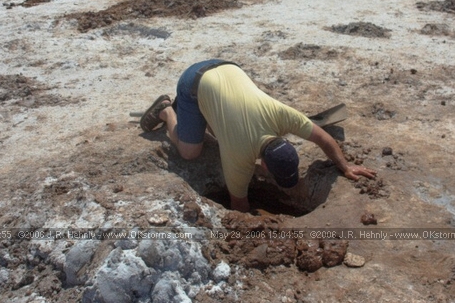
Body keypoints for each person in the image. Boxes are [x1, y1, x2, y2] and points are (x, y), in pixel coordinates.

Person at [140, 59, 377, 212]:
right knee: (189, 152)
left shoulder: (283, 115)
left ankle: (199, 112)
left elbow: (324, 139)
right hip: (192, 81)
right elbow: (238, 206)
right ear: (263, 164)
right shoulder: (238, 157)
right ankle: (167, 110)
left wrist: (345, 167)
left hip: (228, 66)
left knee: (223, 125)